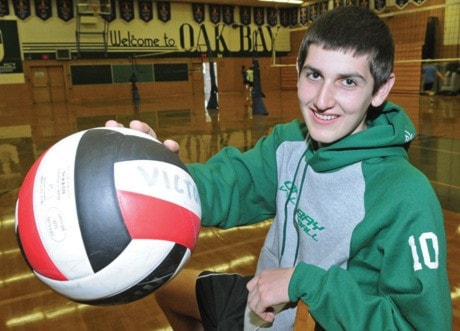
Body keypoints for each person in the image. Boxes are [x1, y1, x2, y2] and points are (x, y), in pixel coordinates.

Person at [106, 6, 452, 330]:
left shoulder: (406, 196)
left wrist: (306, 282)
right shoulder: (289, 142)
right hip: (262, 304)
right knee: (169, 290)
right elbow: (231, 184)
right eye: (314, 75)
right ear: (299, 69)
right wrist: (161, 177)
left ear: (380, 89)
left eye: (348, 82)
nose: (322, 100)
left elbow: (419, 325)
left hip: (318, 315)